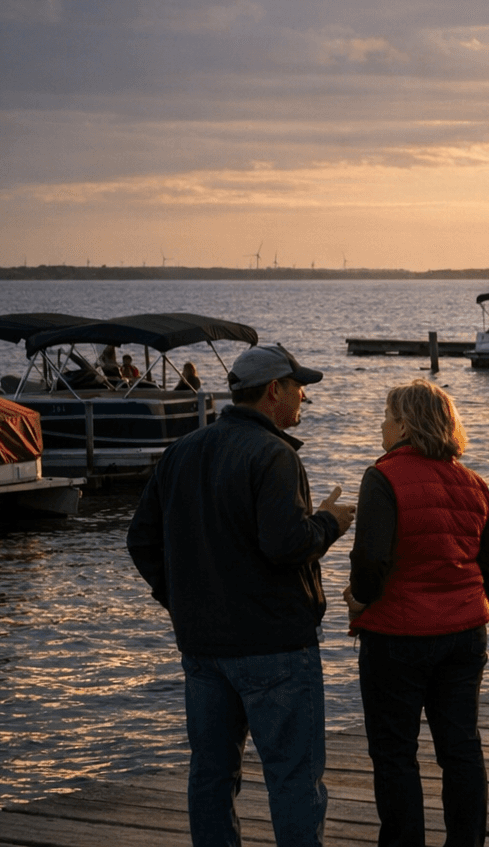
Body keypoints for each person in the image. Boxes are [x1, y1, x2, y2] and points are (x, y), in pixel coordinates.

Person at [127, 343, 354, 847]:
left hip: (204, 647)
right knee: (292, 778)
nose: (303, 400)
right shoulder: (274, 455)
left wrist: (183, 600)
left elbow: (140, 541)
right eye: (298, 389)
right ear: (274, 391)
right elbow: (286, 545)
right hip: (275, 647)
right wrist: (329, 523)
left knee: (211, 776)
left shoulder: (181, 451)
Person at [345, 380, 489, 847]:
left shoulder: (383, 476)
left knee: (395, 752)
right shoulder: (473, 483)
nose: (381, 423)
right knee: (460, 748)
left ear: (404, 425)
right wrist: (461, 602)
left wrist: (360, 598)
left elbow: (371, 560)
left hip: (397, 636)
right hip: (464, 635)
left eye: (387, 415)